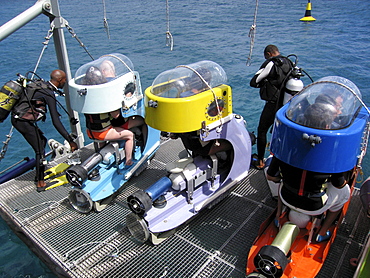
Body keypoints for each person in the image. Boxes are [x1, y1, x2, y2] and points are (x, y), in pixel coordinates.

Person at [266, 103, 351, 242]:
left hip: (287, 196)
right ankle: (323, 232)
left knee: (282, 180)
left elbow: (270, 175)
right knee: (344, 192)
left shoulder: (286, 146)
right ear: (327, 127)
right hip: (315, 206)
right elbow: (339, 184)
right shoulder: (330, 154)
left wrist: (284, 178)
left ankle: (278, 216)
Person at [11, 69, 78, 192]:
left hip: (19, 119)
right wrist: (70, 140)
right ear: (59, 80)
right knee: (39, 150)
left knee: (42, 142)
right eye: (64, 80)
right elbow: (56, 122)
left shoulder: (42, 86)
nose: (65, 82)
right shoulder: (48, 93)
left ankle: (39, 176)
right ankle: (40, 183)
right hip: (22, 122)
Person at [82, 66, 145, 166]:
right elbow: (116, 115)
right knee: (129, 135)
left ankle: (102, 152)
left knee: (104, 130)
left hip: (90, 131)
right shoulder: (103, 98)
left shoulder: (87, 97)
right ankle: (129, 161)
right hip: (103, 132)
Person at [250, 45, 293, 169]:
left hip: (273, 104)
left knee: (262, 130)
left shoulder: (271, 63)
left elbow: (254, 82)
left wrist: (265, 83)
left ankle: (260, 161)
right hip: (287, 105)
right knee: (281, 132)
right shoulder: (289, 62)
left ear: (269, 54)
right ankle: (280, 162)